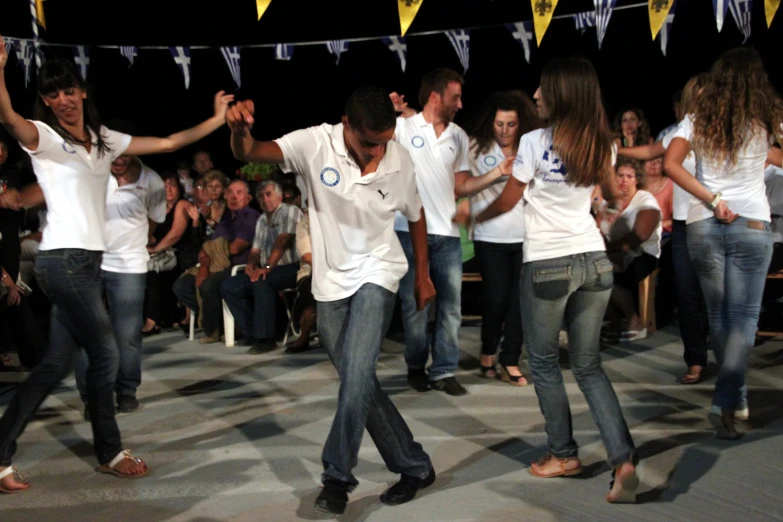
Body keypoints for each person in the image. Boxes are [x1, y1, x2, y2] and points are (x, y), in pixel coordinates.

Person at [0, 39, 233, 492]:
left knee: (54, 364)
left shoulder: (106, 141)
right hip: (62, 261)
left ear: (82, 92)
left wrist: (218, 119)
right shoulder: (46, 139)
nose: (63, 101)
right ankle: (109, 451)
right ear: (45, 102)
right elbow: (8, 117)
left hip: (86, 263)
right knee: (106, 352)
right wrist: (1, 67)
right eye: (53, 95)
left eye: (69, 91)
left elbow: (169, 141)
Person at [226, 85, 437, 516]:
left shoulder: (398, 158)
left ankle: (337, 478)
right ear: (346, 125)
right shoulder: (313, 143)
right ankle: (414, 465)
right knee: (359, 383)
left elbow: (416, 215)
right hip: (328, 284)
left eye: (384, 142)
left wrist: (423, 274)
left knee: (358, 375)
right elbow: (251, 151)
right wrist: (240, 131)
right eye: (368, 143)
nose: (377, 152)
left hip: (378, 271)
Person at [471, 57, 638, 503]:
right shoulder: (602, 144)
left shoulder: (533, 142)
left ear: (561, 94)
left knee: (543, 363)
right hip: (594, 262)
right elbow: (616, 193)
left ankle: (563, 454)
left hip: (547, 263)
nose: (538, 96)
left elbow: (508, 201)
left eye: (543, 89)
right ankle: (623, 460)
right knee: (589, 365)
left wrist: (472, 214)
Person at [663, 47, 783, 439]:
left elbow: (670, 165)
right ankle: (726, 395)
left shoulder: (695, 120)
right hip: (751, 222)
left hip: (704, 224)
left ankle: (735, 394)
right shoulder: (764, 120)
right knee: (744, 318)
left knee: (720, 318)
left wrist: (712, 199)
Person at [390, 68, 508, 396]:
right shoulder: (401, 127)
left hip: (448, 234)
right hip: (408, 230)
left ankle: (443, 370)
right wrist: (387, 111)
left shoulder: (458, 136)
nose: (460, 103)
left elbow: (462, 185)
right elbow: (364, 140)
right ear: (435, 97)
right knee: (416, 305)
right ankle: (416, 365)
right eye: (455, 97)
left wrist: (498, 173)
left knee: (451, 307)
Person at [72, 130, 167, 417]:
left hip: (129, 264)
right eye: (113, 153)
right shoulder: (90, 174)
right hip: (89, 261)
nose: (119, 159)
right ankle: (92, 397)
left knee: (127, 334)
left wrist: (134, 241)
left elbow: (154, 223)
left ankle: (126, 390)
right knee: (86, 331)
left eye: (125, 153)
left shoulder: (152, 181)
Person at [464, 90, 543, 385]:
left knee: (519, 302)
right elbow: (463, 187)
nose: (505, 131)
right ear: (490, 123)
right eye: (499, 124)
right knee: (496, 298)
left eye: (511, 124)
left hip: (526, 234)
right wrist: (497, 174)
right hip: (490, 235)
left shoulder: (532, 146)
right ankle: (487, 352)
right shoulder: (475, 148)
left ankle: (510, 358)